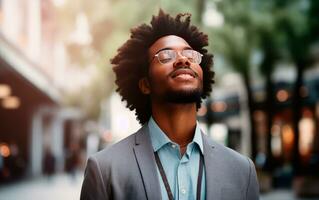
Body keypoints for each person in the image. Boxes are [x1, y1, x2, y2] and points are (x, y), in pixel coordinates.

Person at [80, 10, 259, 200]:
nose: (183, 59)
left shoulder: (242, 171)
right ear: (145, 85)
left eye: (190, 54)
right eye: (166, 56)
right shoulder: (104, 170)